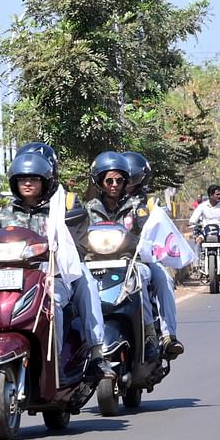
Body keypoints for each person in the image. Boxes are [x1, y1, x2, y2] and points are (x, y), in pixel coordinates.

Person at [0, 151, 116, 380]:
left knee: (67, 292)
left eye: (34, 178)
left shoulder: (63, 205)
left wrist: (55, 256)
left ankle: (91, 355)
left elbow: (78, 245)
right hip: (14, 279)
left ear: (46, 180)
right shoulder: (4, 213)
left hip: (55, 275)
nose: (27, 183)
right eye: (22, 179)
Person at [84, 151, 164, 362]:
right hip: (95, 265)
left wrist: (138, 246)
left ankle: (149, 335)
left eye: (119, 180)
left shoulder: (138, 208)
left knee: (143, 278)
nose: (114, 184)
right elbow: (77, 238)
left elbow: (148, 235)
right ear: (99, 181)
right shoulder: (88, 209)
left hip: (131, 264)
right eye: (108, 180)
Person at [123, 151, 185, 359]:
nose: (124, 183)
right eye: (123, 178)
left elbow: (158, 232)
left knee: (163, 279)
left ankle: (166, 335)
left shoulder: (148, 206)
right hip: (108, 261)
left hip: (141, 261)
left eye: (131, 179)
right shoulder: (100, 203)